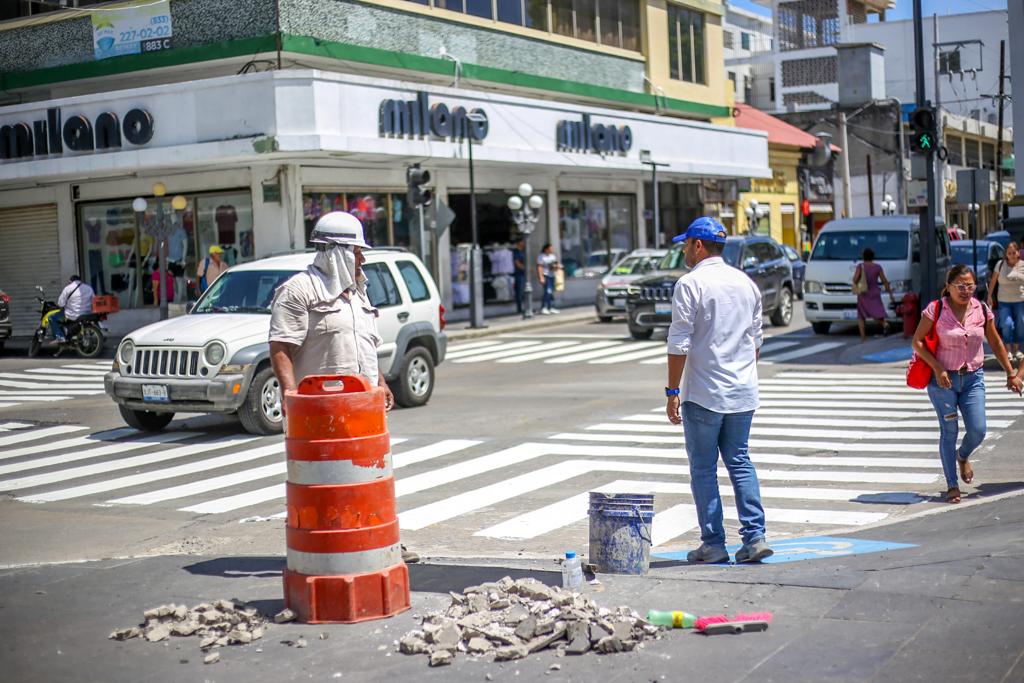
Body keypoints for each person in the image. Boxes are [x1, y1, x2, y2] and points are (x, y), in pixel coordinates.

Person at [270, 212, 415, 562]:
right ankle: (329, 549)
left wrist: (379, 381)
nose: (362, 258)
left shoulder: (357, 293)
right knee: (329, 485)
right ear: (335, 251)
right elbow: (280, 348)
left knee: (370, 479)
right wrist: (292, 399)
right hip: (322, 414)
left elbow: (363, 342)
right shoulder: (298, 290)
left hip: (363, 410)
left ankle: (380, 542)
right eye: (357, 251)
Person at [665, 217, 773, 564]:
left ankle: (713, 543)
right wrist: (740, 372)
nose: (684, 250)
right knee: (740, 462)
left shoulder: (690, 283)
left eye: (686, 244)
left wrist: (671, 390)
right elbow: (755, 341)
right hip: (742, 392)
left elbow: (678, 342)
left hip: (705, 393)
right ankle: (755, 538)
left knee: (703, 469)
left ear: (698, 245)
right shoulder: (746, 283)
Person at [911, 265, 1024, 504]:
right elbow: (917, 342)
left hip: (973, 378)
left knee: (978, 430)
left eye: (970, 286)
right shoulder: (936, 309)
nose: (965, 290)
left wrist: (1011, 372)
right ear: (949, 286)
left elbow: (994, 340)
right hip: (943, 381)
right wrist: (937, 367)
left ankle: (962, 456)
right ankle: (952, 485)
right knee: (949, 431)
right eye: (960, 286)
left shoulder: (981, 309)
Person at [987, 241, 1024, 362]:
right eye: (1009, 253)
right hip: (1004, 300)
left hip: (1020, 300)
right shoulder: (1000, 264)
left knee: (1020, 323)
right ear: (1006, 254)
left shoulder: (1023, 265)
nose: (1012, 255)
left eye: (1014, 252)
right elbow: (993, 281)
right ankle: (1008, 349)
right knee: (1007, 324)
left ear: (1018, 253)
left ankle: (1017, 349)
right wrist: (989, 296)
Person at [853, 247, 894, 342]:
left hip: (863, 293)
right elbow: (884, 280)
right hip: (875, 292)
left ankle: (863, 337)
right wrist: (890, 293)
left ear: (863, 257)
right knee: (877, 313)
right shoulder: (877, 267)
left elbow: (855, 279)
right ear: (872, 257)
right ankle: (885, 324)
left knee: (861, 315)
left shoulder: (860, 266)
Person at [50, 275, 94, 342]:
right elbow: (94, 300)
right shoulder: (88, 288)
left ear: (70, 281)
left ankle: (60, 337)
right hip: (87, 313)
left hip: (73, 315)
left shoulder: (68, 288)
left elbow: (60, 304)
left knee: (52, 317)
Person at [537, 243, 560, 315]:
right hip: (545, 275)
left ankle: (550, 307)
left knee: (551, 292)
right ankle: (543, 307)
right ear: (546, 249)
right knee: (547, 291)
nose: (552, 250)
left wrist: (556, 266)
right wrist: (541, 277)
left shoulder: (552, 256)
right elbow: (539, 267)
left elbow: (556, 264)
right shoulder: (541, 256)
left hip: (551, 275)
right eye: (550, 248)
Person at [513, 239, 526, 315]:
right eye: (522, 242)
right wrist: (525, 269)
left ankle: (523, 307)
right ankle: (519, 308)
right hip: (518, 274)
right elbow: (517, 263)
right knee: (519, 291)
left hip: (522, 274)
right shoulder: (516, 251)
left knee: (523, 291)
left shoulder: (522, 251)